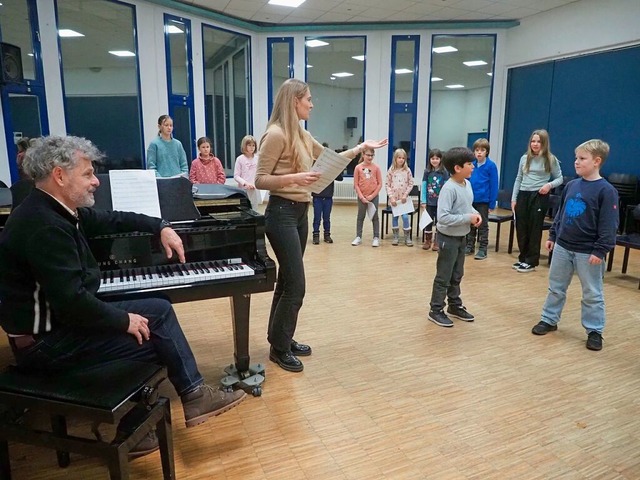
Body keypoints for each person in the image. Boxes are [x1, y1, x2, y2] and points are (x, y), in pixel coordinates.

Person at [0, 136, 246, 456]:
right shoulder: (44, 226)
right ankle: (149, 421)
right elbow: (73, 303)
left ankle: (161, 413)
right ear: (59, 175)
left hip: (55, 327)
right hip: (43, 345)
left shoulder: (55, 209)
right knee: (155, 330)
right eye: (88, 174)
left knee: (158, 315)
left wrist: (160, 225)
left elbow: (113, 219)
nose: (95, 182)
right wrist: (123, 319)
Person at [255, 78, 387, 372]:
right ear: (294, 101)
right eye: (309, 100)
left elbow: (329, 159)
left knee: (289, 281)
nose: (312, 104)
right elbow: (260, 179)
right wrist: (294, 179)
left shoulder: (301, 134)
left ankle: (281, 339)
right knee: (297, 284)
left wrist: (358, 149)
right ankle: (279, 348)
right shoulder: (275, 135)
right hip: (281, 214)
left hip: (301, 212)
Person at [531, 139, 618, 351]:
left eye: (582, 159)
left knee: (592, 293)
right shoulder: (571, 185)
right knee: (556, 287)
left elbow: (609, 224)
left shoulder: (606, 191)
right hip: (563, 246)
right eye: (576, 158)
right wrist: (552, 235)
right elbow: (560, 214)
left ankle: (594, 330)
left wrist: (600, 249)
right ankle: (549, 319)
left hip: (588, 251)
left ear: (597, 161)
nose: (576, 162)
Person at [428, 147, 482, 328]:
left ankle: (454, 305)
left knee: (457, 274)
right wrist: (468, 218)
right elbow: (443, 218)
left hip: (462, 236)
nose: (473, 167)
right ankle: (435, 310)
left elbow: (467, 206)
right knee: (444, 275)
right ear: (458, 168)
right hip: (448, 238)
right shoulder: (448, 188)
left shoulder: (467, 184)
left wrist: (474, 213)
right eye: (469, 164)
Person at [511, 129, 563, 272]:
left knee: (534, 228)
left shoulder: (551, 159)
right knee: (521, 227)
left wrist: (548, 185)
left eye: (538, 141)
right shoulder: (524, 158)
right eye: (533, 141)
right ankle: (523, 258)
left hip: (539, 196)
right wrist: (514, 198)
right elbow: (518, 179)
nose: (535, 144)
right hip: (523, 194)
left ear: (544, 143)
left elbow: (560, 178)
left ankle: (532, 260)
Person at [466, 138, 499, 260]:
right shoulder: (471, 164)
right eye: (477, 150)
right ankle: (469, 246)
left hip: (483, 201)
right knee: (470, 223)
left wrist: (492, 203)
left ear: (487, 152)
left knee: (483, 225)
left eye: (482, 150)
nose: (479, 153)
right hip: (471, 200)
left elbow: (494, 185)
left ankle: (483, 249)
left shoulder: (490, 166)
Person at [352, 146, 383, 247]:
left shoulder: (376, 168)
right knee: (360, 216)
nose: (370, 157)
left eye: (372, 155)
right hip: (362, 197)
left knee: (375, 216)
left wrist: (372, 196)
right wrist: (361, 197)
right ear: (363, 155)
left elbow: (379, 184)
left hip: (373, 197)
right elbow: (356, 184)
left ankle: (376, 237)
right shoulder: (358, 168)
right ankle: (358, 236)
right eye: (368, 155)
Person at [385, 148, 414, 246]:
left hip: (403, 201)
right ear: (395, 159)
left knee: (405, 217)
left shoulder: (407, 170)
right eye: (399, 158)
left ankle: (407, 237)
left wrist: (405, 195)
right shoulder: (391, 170)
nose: (401, 160)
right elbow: (387, 185)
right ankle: (395, 237)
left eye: (403, 158)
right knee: (395, 217)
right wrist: (391, 197)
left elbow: (410, 184)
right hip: (394, 201)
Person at [421, 148, 448, 251]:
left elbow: (446, 187)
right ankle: (428, 240)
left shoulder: (444, 172)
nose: (435, 160)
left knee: (439, 221)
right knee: (428, 221)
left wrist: (445, 201)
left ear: (440, 159)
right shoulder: (427, 172)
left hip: (440, 203)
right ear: (429, 159)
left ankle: (437, 241)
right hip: (429, 202)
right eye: (432, 158)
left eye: (437, 158)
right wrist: (423, 201)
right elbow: (424, 186)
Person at [311, 168, 343, 245]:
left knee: (326, 218)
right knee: (317, 218)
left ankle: (327, 235)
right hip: (317, 196)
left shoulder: (332, 170)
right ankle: (316, 235)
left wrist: (334, 171)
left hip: (328, 196)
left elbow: (340, 178)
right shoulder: (316, 167)